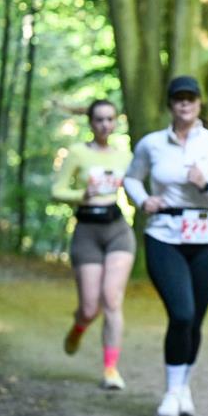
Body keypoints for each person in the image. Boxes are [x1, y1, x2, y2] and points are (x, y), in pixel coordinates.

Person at [123, 76, 208, 416]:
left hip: (206, 238)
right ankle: (171, 396)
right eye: (178, 99)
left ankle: (184, 386)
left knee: (196, 321)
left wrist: (205, 185)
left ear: (200, 103)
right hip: (165, 235)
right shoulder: (152, 144)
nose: (185, 104)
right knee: (182, 314)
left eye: (191, 98)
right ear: (170, 104)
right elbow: (131, 177)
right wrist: (144, 200)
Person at [52, 99, 135, 391]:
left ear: (115, 122)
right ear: (90, 123)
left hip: (117, 230)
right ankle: (78, 328)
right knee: (89, 308)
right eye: (99, 119)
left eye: (110, 119)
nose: (104, 125)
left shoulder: (125, 156)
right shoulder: (77, 153)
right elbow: (57, 190)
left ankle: (111, 369)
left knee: (111, 299)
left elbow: (137, 187)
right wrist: (81, 194)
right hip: (87, 230)